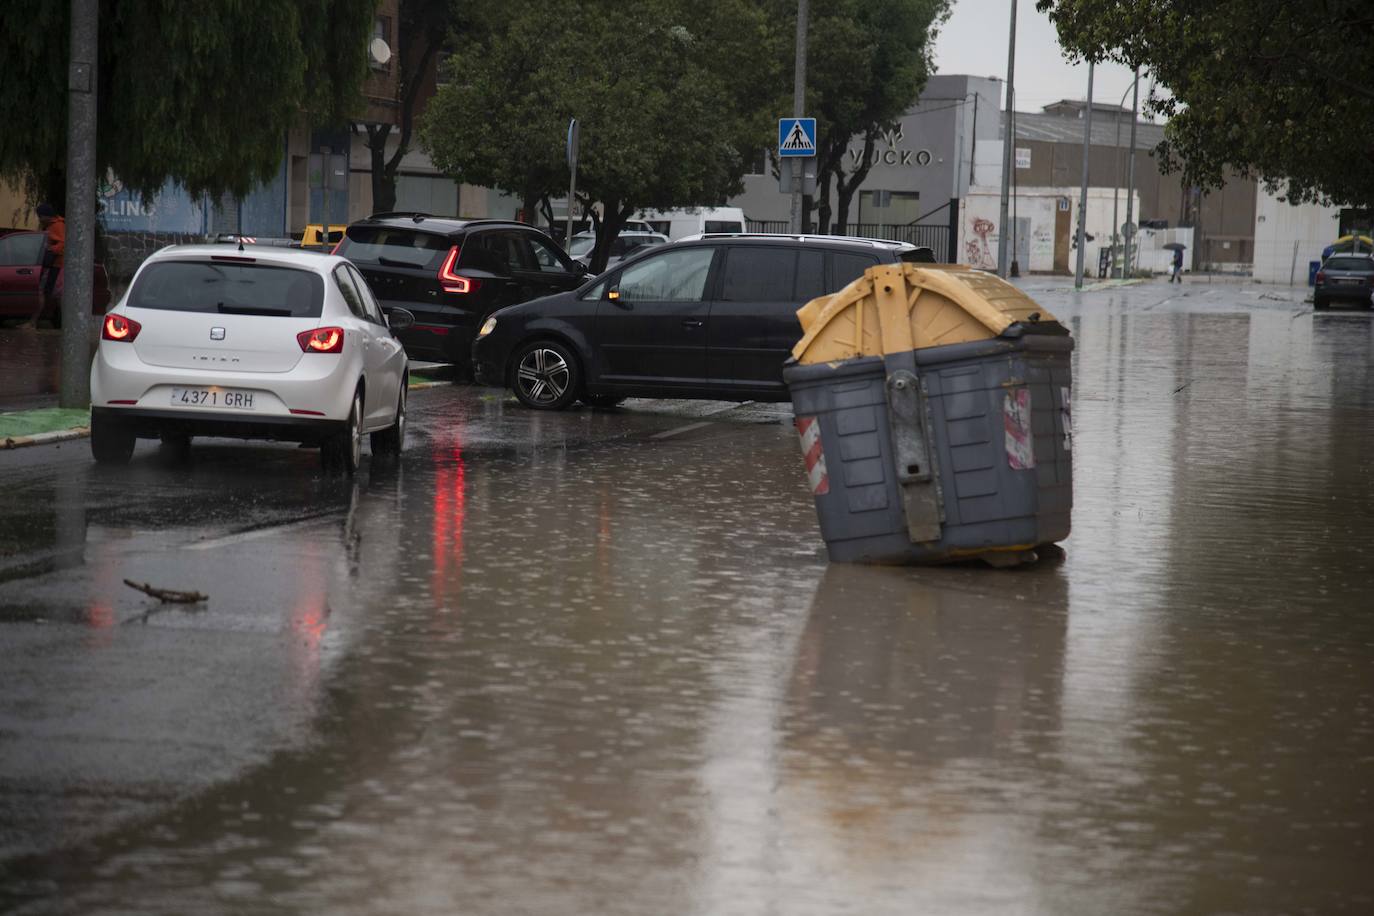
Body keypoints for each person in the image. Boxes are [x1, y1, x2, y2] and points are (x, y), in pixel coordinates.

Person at [20, 202, 65, 328]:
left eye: (40, 216)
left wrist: (50, 249)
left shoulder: (57, 226)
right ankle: (61, 323)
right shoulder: (51, 226)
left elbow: (62, 243)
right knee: (53, 295)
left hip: (55, 266)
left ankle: (33, 323)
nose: (39, 219)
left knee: (44, 293)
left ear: (46, 215)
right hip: (53, 266)